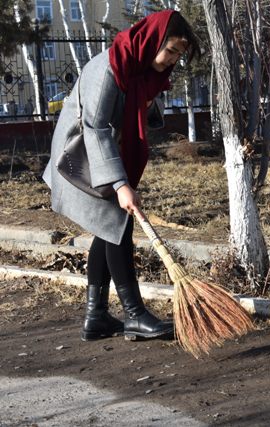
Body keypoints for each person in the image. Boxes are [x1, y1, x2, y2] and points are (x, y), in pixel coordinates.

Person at [43, 10, 200, 341]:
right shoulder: (109, 69)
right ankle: (135, 315)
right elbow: (96, 128)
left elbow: (135, 106)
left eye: (178, 55)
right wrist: (119, 184)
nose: (172, 60)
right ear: (152, 41)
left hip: (100, 156)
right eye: (170, 50)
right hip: (80, 159)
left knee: (107, 227)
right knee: (118, 225)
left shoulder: (139, 69)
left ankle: (96, 316)